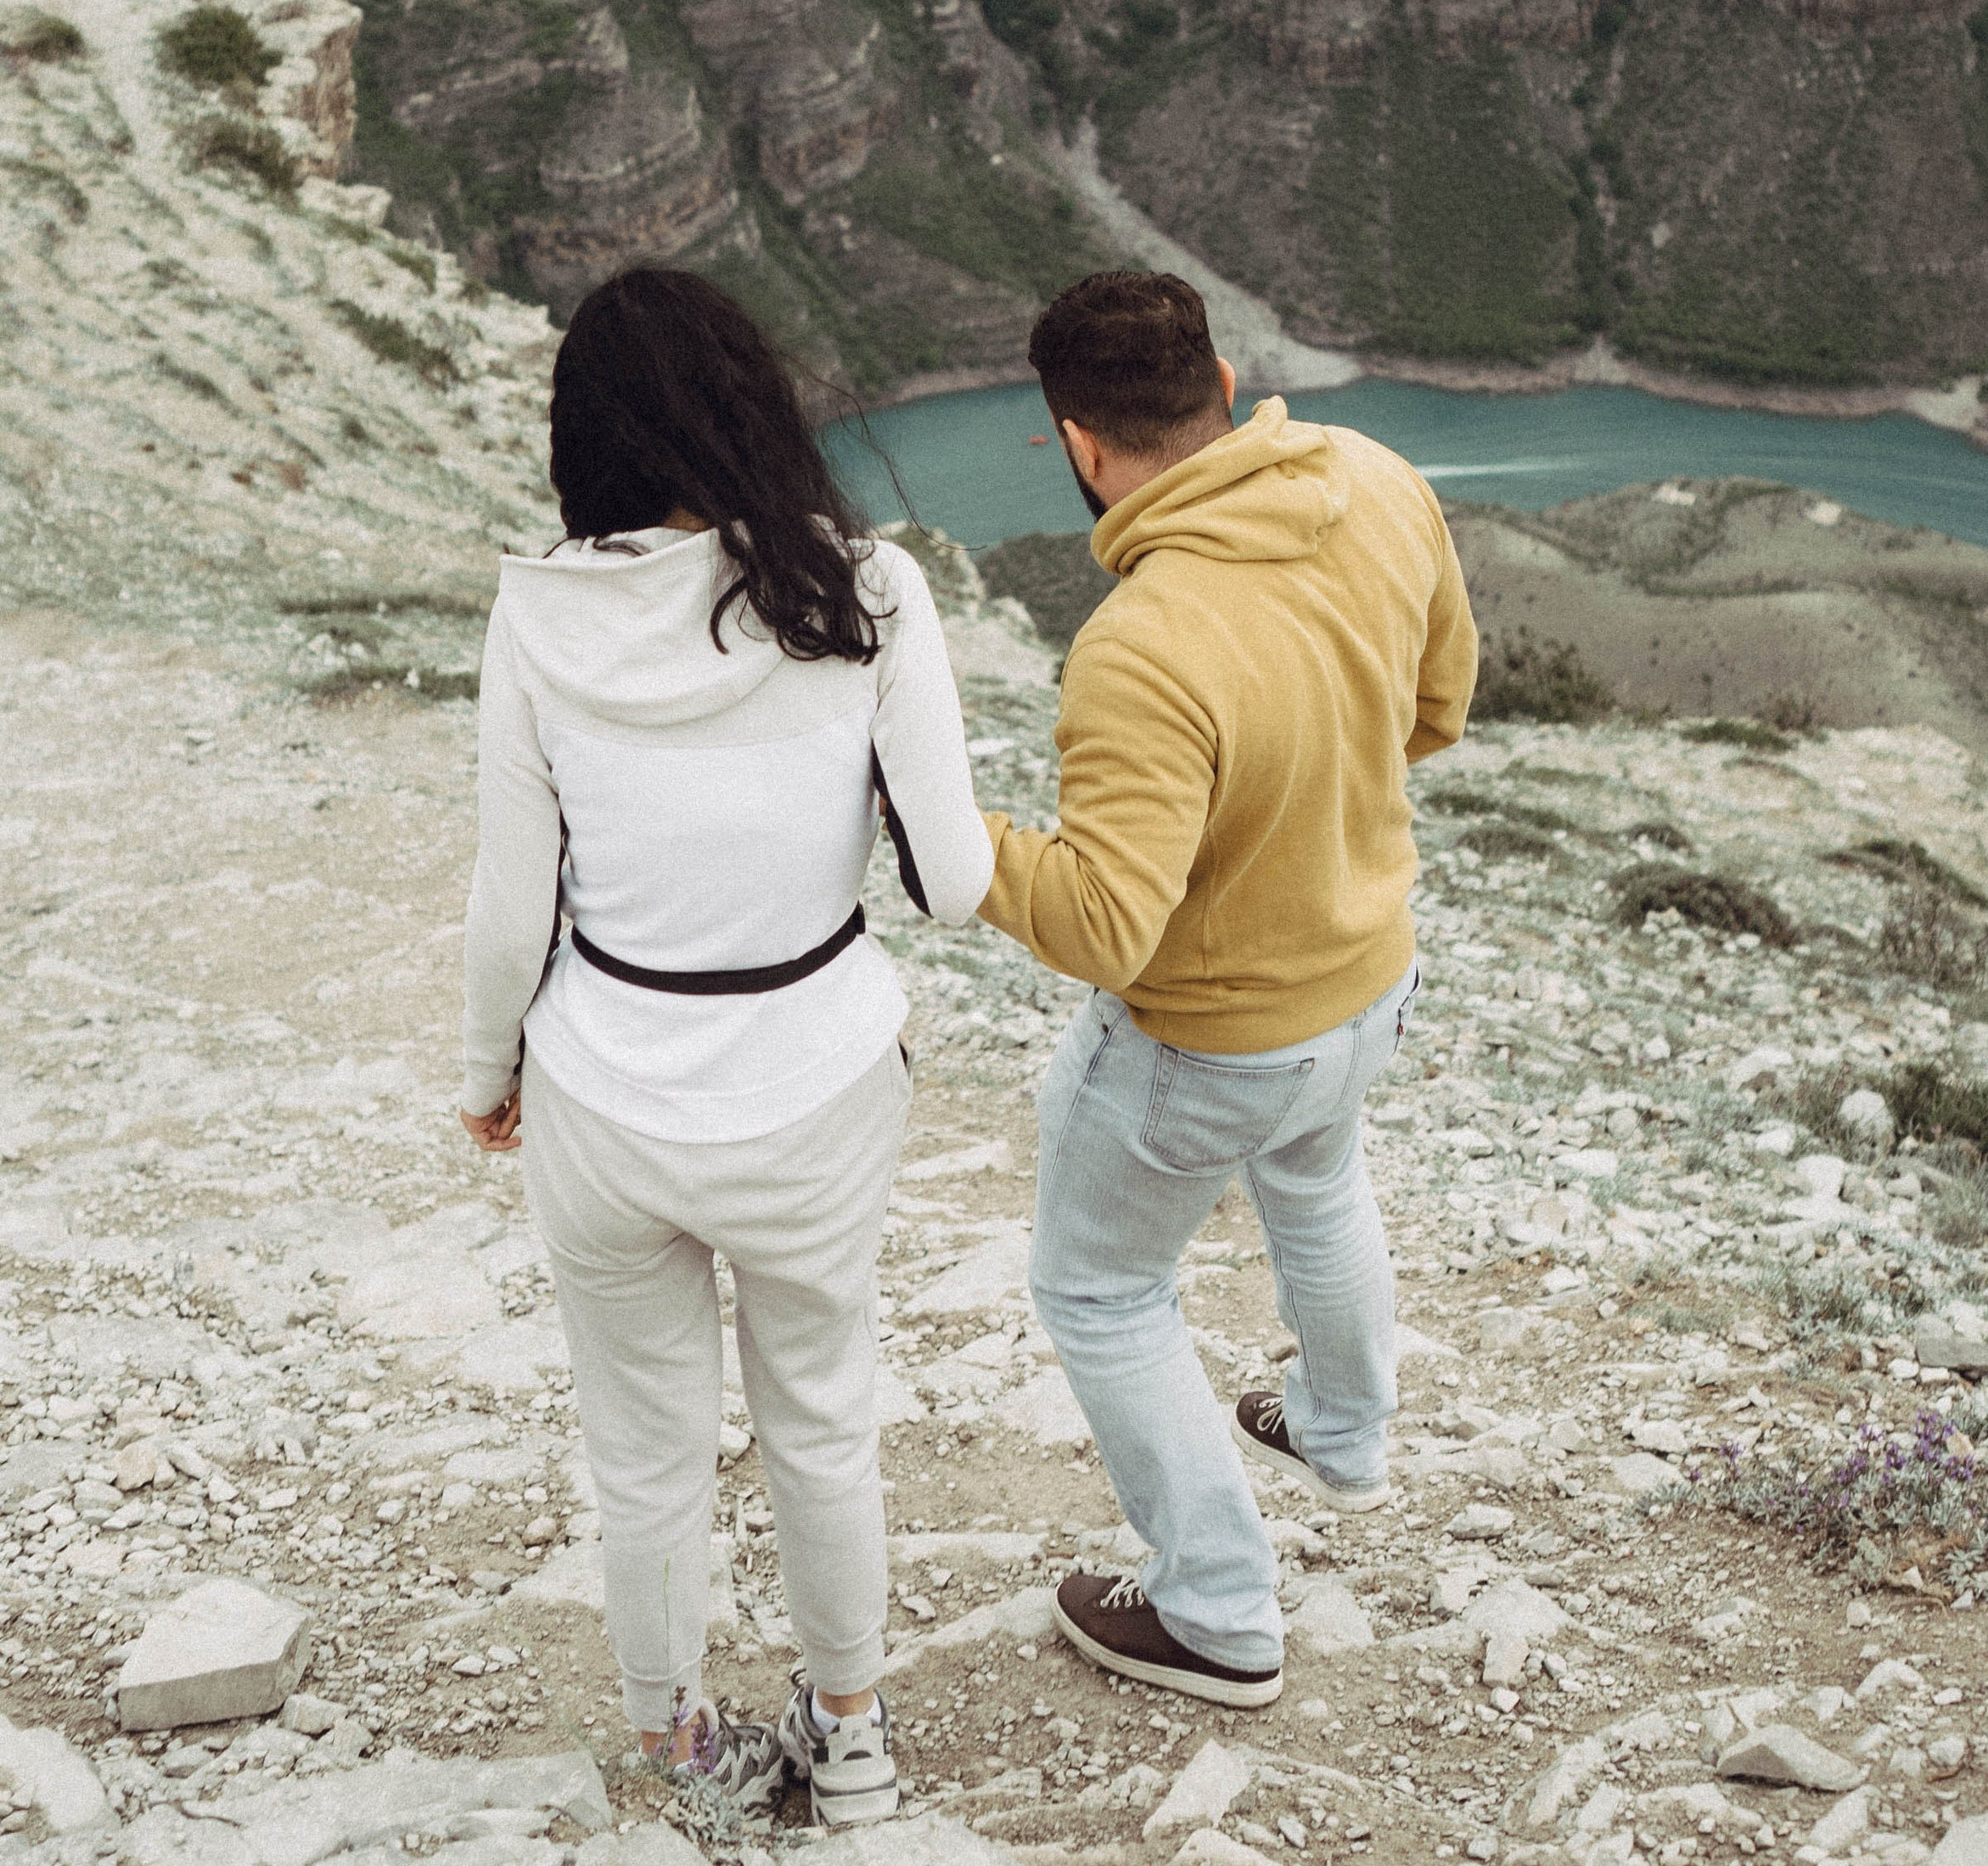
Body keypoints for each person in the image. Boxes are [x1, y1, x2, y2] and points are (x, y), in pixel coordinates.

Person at [458, 267, 992, 1827]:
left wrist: (486, 1077)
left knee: (644, 1448)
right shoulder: (867, 591)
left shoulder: (537, 614)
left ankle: (680, 1750)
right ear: (753, 405)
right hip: (817, 1079)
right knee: (821, 1418)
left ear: (584, 438)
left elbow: (511, 903)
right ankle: (854, 1737)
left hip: (606, 1087)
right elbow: (956, 881)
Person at [975, 268, 1477, 1705]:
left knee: (1100, 1289)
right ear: (1227, 381)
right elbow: (1437, 709)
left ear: (1079, 443)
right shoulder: (1377, 480)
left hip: (1211, 1048)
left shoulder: (1143, 642)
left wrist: (959, 840)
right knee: (1318, 1183)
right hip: (1367, 984)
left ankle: (1217, 1611)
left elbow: (1105, 926)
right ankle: (1344, 1433)